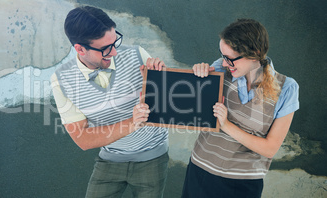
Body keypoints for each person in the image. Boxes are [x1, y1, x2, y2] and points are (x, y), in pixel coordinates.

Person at [50, 6, 169, 198]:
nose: (114, 52)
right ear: (80, 49)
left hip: (152, 156)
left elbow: (168, 107)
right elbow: (83, 139)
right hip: (110, 159)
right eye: (105, 49)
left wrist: (161, 82)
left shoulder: (137, 55)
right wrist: (132, 123)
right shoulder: (61, 80)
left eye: (115, 42)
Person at [182, 19, 299, 198]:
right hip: (200, 172)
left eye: (230, 59)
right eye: (223, 56)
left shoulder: (287, 89)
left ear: (255, 54)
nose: (225, 63)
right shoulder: (221, 68)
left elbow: (270, 149)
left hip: (242, 185)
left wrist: (226, 124)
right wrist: (197, 77)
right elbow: (191, 110)